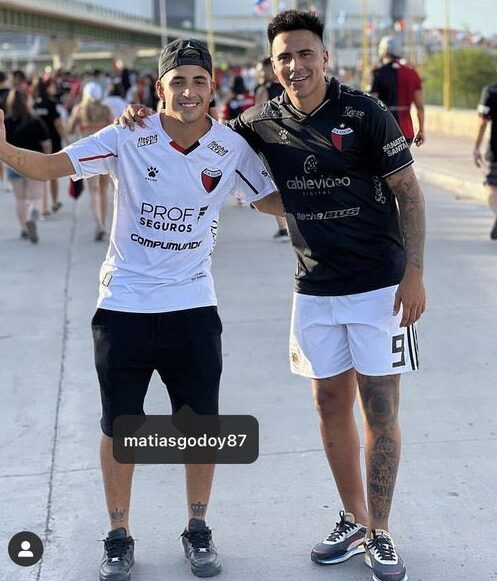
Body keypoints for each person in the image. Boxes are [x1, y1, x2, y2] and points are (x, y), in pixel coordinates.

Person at [119, 10, 426, 581]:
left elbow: (409, 192)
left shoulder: (366, 113)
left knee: (380, 407)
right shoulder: (259, 122)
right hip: (313, 287)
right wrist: (143, 115)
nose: (296, 65)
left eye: (306, 53)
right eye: (285, 56)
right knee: (329, 404)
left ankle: (382, 533)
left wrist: (415, 272)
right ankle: (354, 518)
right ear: (273, 64)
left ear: (324, 57)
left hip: (380, 286)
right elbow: (197, 130)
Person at [0, 38, 281, 581]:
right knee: (119, 425)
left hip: (193, 305)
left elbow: (267, 198)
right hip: (123, 306)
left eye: (199, 81)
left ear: (213, 88)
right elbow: (50, 166)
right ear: (160, 88)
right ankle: (118, 535)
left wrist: (332, 193)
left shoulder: (230, 146)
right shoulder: (128, 135)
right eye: (179, 81)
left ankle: (197, 528)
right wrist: (4, 150)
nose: (189, 91)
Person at [68, 81, 113, 241]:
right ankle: (104, 224)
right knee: (104, 190)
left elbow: (70, 129)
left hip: (87, 154)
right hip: (106, 153)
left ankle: (99, 225)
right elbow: (114, 129)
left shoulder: (79, 110)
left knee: (93, 191)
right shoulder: (105, 110)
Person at [4, 89, 51, 242]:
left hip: (13, 164)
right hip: (34, 162)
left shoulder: (6, 123)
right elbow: (46, 143)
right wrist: (48, 159)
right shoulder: (35, 121)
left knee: (20, 199)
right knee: (36, 197)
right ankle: (32, 217)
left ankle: (24, 229)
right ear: (27, 102)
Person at [254, 57, 288, 241]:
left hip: (272, 142)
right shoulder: (289, 87)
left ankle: (283, 227)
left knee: (277, 185)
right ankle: (286, 225)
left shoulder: (264, 90)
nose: (260, 73)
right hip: (287, 140)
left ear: (271, 69)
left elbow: (257, 116)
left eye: (262, 70)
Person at [371, 36, 425, 147]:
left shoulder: (378, 73)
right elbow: (420, 107)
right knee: (403, 159)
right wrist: (421, 130)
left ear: (384, 51)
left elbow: (372, 104)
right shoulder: (412, 73)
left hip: (385, 131)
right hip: (406, 131)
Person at [32, 78, 66, 214]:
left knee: (41, 175)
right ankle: (54, 202)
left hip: (37, 142)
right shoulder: (52, 103)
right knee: (53, 174)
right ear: (47, 88)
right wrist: (67, 139)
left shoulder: (34, 103)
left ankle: (43, 206)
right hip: (53, 142)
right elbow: (58, 124)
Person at [474, 78, 497, 239]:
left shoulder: (491, 91)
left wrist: (476, 148)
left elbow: (482, 122)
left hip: (495, 149)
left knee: (491, 184)